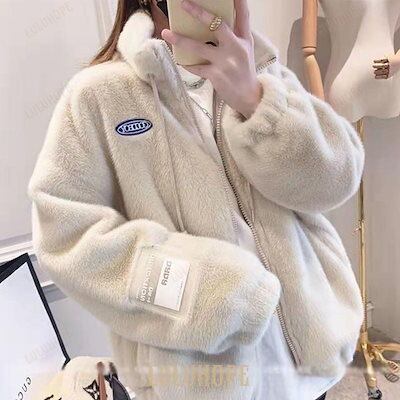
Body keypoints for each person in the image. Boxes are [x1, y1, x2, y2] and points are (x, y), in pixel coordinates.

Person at [28, 0, 365, 399]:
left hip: (310, 367)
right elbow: (67, 236)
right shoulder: (99, 95)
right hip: (205, 384)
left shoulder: (261, 69)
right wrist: (212, 292)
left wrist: (255, 99)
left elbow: (335, 182)